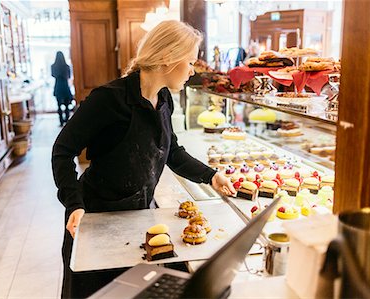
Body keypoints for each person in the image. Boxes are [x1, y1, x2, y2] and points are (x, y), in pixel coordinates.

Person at [51, 20, 236, 298]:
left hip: (136, 220)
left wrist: (211, 176)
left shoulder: (164, 99)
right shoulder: (108, 100)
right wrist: (73, 204)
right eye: (189, 62)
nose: (192, 71)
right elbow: (62, 151)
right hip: (94, 222)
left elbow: (172, 152)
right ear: (167, 59)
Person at [51, 51, 73, 126]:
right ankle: (67, 120)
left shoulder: (53, 66)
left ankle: (61, 122)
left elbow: (53, 75)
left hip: (58, 86)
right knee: (67, 105)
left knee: (59, 105)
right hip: (65, 86)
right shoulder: (66, 66)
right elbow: (69, 76)